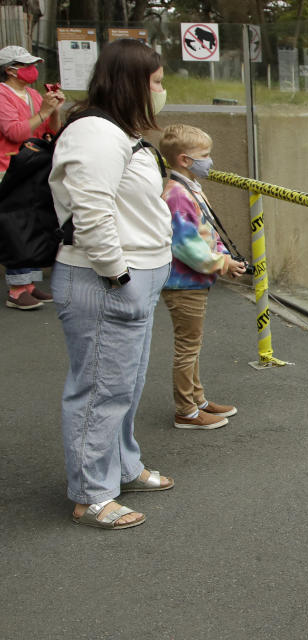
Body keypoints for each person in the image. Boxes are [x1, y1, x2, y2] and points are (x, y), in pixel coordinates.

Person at [48, 39, 174, 530]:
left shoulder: (117, 133)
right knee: (101, 387)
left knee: (125, 383)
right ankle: (91, 494)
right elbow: (92, 211)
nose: (162, 91)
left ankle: (120, 465)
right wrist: (117, 274)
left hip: (134, 276)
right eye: (157, 82)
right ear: (133, 83)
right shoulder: (95, 134)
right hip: (106, 280)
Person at [157, 123, 245, 430]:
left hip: (193, 282)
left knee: (192, 343)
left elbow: (205, 230)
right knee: (187, 347)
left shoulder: (189, 187)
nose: (209, 161)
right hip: (184, 283)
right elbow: (186, 244)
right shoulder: (178, 195)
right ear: (184, 159)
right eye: (204, 155)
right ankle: (186, 410)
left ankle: (197, 398)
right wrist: (222, 263)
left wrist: (223, 257)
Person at [0, 45, 64, 309]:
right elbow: (15, 132)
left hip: (32, 166)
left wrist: (54, 108)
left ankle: (28, 283)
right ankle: (16, 289)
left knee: (33, 222)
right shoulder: (2, 95)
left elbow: (52, 130)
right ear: (9, 70)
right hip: (8, 168)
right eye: (25, 65)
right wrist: (44, 113)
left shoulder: (34, 95)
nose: (31, 70)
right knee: (16, 225)